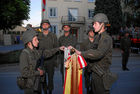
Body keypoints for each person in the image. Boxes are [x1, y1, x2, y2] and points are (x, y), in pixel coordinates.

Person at [69, 13, 113, 94]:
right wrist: (74, 51)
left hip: (102, 75)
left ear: (102, 24)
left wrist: (81, 53)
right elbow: (90, 50)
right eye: (93, 24)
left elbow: (98, 53)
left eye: (95, 23)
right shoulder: (97, 37)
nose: (93, 26)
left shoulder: (106, 38)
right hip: (95, 73)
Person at [19, 28, 64, 94]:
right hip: (30, 87)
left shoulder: (35, 52)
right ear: (29, 43)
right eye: (35, 39)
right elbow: (24, 73)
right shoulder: (24, 54)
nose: (38, 41)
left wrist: (58, 48)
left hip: (37, 85)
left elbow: (46, 53)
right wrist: (38, 73)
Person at [38, 19, 58, 94]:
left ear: (49, 25)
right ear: (41, 26)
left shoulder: (53, 36)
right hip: (41, 61)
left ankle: (50, 91)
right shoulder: (38, 36)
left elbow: (56, 48)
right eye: (43, 24)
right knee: (42, 78)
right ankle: (45, 91)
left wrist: (56, 61)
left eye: (46, 24)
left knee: (50, 78)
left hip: (51, 60)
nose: (45, 25)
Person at [80, 28, 95, 94]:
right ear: (88, 33)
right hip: (87, 63)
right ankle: (88, 90)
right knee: (87, 78)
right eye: (91, 32)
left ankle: (93, 90)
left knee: (95, 79)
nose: (92, 33)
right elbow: (82, 53)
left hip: (95, 63)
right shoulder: (84, 42)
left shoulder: (97, 42)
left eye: (93, 32)